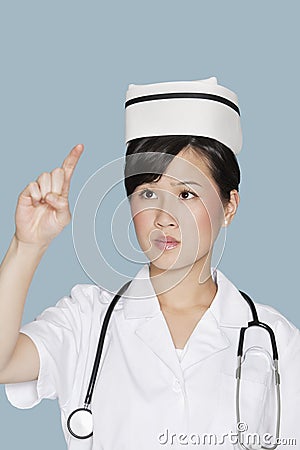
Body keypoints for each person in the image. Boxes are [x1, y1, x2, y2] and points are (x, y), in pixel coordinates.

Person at [0, 77, 299, 450]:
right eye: (148, 192)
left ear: (229, 206)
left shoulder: (274, 341)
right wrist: (27, 244)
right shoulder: (87, 319)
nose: (164, 216)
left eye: (187, 193)